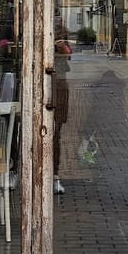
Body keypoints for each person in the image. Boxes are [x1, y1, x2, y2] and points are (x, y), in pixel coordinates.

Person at [52, 39, 71, 193]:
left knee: (56, 133)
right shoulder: (17, 26)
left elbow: (68, 54)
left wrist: (61, 47)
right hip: (34, 83)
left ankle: (54, 175)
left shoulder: (60, 31)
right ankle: (14, 171)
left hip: (59, 86)